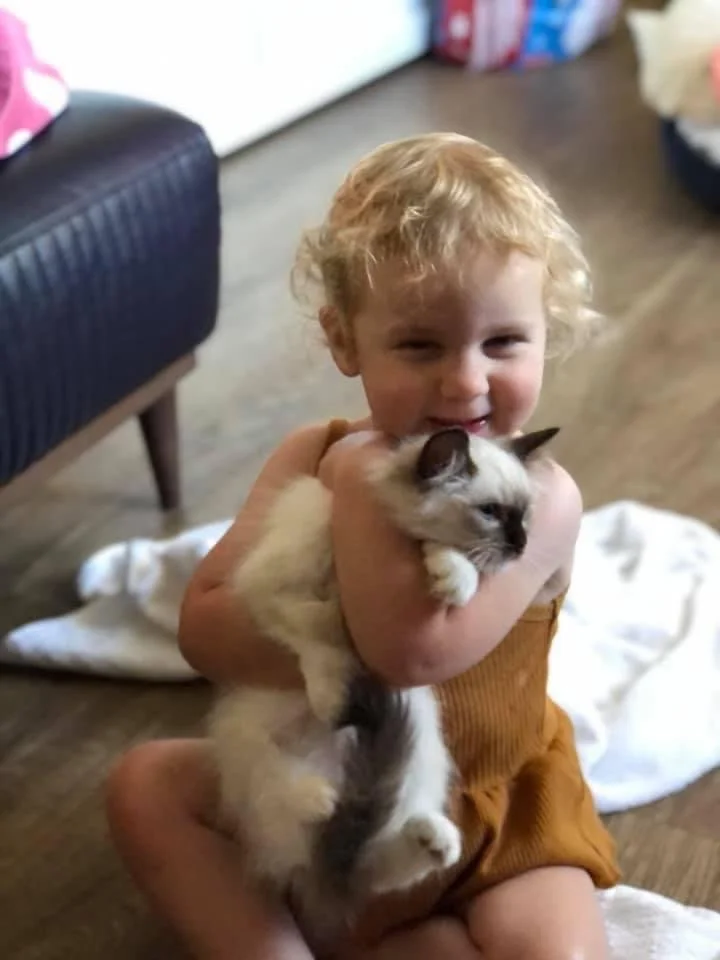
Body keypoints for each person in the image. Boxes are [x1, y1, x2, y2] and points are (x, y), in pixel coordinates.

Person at [105, 133, 620, 960]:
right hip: (325, 792)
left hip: (489, 816)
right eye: (420, 345)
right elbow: (203, 628)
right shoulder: (312, 453)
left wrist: (356, 488)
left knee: (556, 952)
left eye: (502, 343)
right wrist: (307, 637)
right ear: (346, 341)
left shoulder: (540, 498)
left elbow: (410, 654)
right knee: (145, 787)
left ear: (546, 335)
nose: (465, 381)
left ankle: (414, 931)